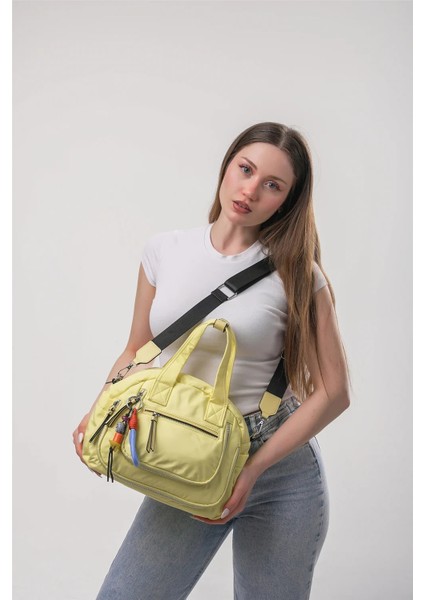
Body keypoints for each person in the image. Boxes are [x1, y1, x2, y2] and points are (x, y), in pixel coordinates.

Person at [73, 121, 351, 599]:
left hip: (280, 471)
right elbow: (138, 349)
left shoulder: (299, 275)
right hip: (190, 450)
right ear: (227, 166)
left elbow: (334, 392)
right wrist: (99, 412)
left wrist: (253, 469)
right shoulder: (165, 251)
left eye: (272, 185)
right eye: (246, 169)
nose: (251, 190)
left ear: (287, 201)